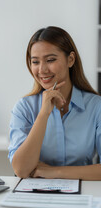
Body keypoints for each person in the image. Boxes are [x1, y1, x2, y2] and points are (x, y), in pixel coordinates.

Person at [8, 26, 101, 180]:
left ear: (70, 59)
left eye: (50, 60)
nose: (42, 69)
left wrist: (53, 172)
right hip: (35, 197)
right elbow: (21, 170)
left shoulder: (96, 106)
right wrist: (43, 114)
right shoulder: (24, 108)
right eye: (35, 62)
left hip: (81, 196)